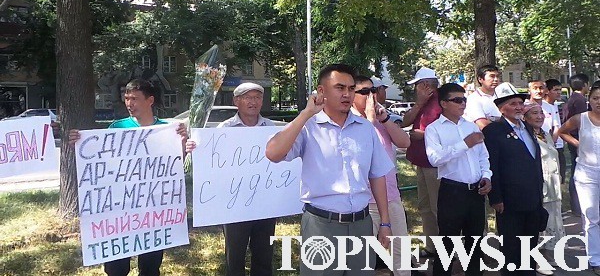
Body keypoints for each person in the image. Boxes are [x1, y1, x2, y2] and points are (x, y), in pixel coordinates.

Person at [265, 64, 394, 275]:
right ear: (321, 91)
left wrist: (385, 222)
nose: (347, 94)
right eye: (339, 87)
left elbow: (377, 176)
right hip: (321, 225)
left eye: (351, 88)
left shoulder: (366, 129)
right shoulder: (308, 126)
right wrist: (306, 114)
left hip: (361, 224)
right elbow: (273, 153)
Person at [69, 79, 188, 276]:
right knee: (116, 269)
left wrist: (182, 143)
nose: (129, 103)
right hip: (120, 212)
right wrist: (80, 143)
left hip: (152, 211)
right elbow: (100, 160)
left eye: (134, 98)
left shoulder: (167, 130)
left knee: (150, 268)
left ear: (150, 100)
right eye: (126, 98)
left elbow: (173, 165)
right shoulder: (117, 127)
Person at [188, 82, 276, 276]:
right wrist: (195, 149)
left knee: (264, 254)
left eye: (257, 97)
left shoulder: (272, 128)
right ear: (236, 101)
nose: (253, 102)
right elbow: (210, 158)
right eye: (248, 98)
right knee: (234, 257)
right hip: (234, 206)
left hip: (265, 203)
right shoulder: (224, 129)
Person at [424, 83, 491, 276]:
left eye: (464, 100)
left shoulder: (471, 126)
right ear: (443, 103)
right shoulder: (434, 129)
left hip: (476, 192)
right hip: (452, 192)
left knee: (475, 242)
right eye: (457, 100)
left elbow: (483, 157)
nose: (462, 104)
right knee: (447, 243)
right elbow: (434, 158)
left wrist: (487, 176)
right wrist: (464, 144)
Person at [482, 82, 544, 276]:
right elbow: (493, 165)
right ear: (501, 108)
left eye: (520, 103)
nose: (518, 107)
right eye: (513, 103)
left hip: (533, 198)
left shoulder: (526, 126)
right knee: (512, 249)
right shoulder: (493, 131)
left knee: (530, 246)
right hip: (509, 201)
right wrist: (496, 197)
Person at [352, 75, 411, 276]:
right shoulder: (351, 122)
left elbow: (405, 142)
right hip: (365, 201)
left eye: (373, 91)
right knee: (364, 256)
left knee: (400, 251)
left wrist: (383, 119)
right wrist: (369, 119)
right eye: (364, 92)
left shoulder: (381, 119)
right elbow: (364, 154)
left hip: (391, 196)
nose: (371, 96)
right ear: (352, 95)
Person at [399, 67, 441, 257]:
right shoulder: (422, 103)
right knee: (425, 207)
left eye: (417, 85)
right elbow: (404, 122)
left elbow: (450, 132)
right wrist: (418, 104)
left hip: (435, 164)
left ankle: (446, 249)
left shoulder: (442, 102)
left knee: (437, 207)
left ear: (425, 85)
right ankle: (432, 246)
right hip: (422, 162)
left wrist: (423, 136)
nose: (415, 88)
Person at [558, 85, 600, 275]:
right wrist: (577, 143)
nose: (599, 102)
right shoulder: (580, 118)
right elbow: (562, 131)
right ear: (589, 100)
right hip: (587, 174)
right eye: (596, 98)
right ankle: (595, 258)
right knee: (591, 216)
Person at [522, 102, 565, 275]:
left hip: (553, 184)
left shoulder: (545, 134)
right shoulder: (525, 136)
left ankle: (549, 254)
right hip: (539, 185)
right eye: (534, 113)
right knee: (540, 223)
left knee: (553, 220)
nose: (539, 116)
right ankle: (537, 259)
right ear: (525, 117)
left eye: (541, 113)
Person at [563, 73, 590, 216]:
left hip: (574, 140)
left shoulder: (571, 99)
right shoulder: (579, 100)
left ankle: (576, 206)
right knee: (578, 173)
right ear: (585, 84)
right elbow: (583, 124)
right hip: (578, 141)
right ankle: (578, 207)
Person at [464, 65, 501, 130]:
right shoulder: (474, 99)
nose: (496, 79)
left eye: (497, 76)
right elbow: (482, 124)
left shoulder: (503, 95)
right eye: (492, 76)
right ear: (480, 79)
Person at [545, 79, 567, 183]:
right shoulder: (543, 106)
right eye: (555, 90)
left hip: (559, 145)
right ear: (547, 91)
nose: (558, 92)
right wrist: (551, 144)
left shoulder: (555, 105)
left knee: (561, 175)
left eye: (560, 90)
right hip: (550, 146)